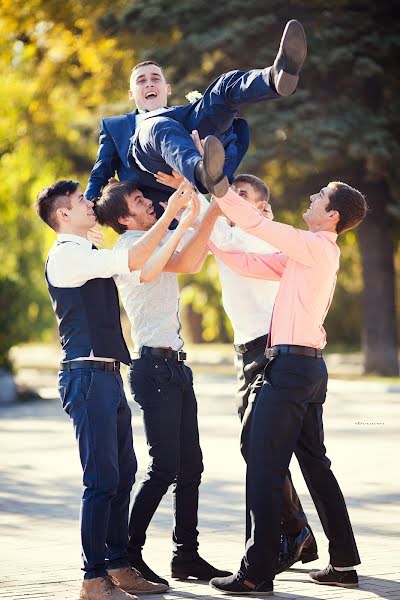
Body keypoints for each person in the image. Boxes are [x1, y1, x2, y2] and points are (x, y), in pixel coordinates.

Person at [34, 179, 192, 599]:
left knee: (123, 474)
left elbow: (135, 258)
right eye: (81, 201)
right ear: (63, 216)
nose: (90, 203)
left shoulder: (84, 251)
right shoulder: (66, 255)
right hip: (85, 377)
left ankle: (119, 565)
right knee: (101, 479)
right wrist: (173, 209)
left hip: (107, 375)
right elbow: (135, 255)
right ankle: (92, 578)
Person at [206, 180, 366, 594]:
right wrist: (206, 237)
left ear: (331, 215)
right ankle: (344, 563)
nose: (311, 198)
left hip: (292, 368)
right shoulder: (310, 254)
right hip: (306, 370)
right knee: (316, 466)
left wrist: (215, 183)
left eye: (320, 197)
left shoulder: (314, 246)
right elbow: (249, 264)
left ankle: (257, 573)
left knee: (263, 465)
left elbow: (255, 224)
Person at [95, 179, 232, 587]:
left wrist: (199, 197)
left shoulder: (158, 237)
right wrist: (202, 210)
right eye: (139, 201)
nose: (149, 203)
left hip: (176, 368)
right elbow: (187, 260)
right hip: (152, 369)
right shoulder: (127, 251)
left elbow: (196, 247)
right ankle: (127, 554)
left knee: (192, 466)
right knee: (165, 468)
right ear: (124, 218)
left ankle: (185, 555)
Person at [210, 173, 318, 570]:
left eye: (241, 195)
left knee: (257, 448)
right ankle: (291, 533)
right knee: (259, 449)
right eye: (231, 193)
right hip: (248, 350)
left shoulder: (248, 237)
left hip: (267, 348)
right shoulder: (233, 232)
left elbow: (209, 216)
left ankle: (290, 533)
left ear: (260, 208)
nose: (230, 199)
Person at [86, 20, 307, 211]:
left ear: (168, 88)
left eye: (156, 79)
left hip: (190, 136)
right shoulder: (115, 127)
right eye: (141, 81)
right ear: (131, 94)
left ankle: (275, 77)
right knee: (157, 126)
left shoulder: (187, 114)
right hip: (151, 161)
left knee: (222, 86)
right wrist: (87, 219)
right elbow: (100, 175)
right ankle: (201, 173)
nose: (149, 83)